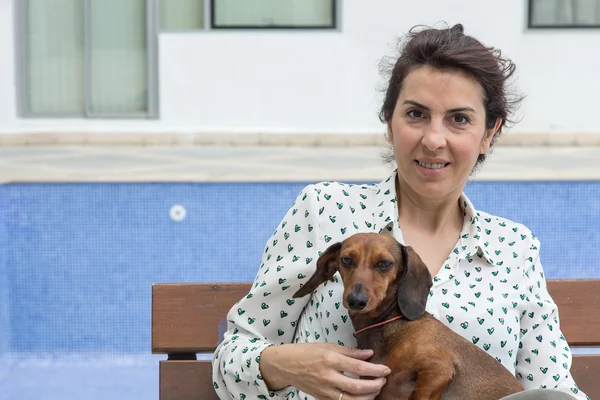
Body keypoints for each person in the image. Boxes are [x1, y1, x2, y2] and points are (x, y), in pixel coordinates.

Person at [211, 24, 589, 400]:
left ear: (488, 134)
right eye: (416, 114)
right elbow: (232, 359)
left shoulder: (513, 247)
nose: (434, 139)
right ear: (390, 122)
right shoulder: (324, 211)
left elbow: (554, 390)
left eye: (459, 119)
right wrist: (289, 366)